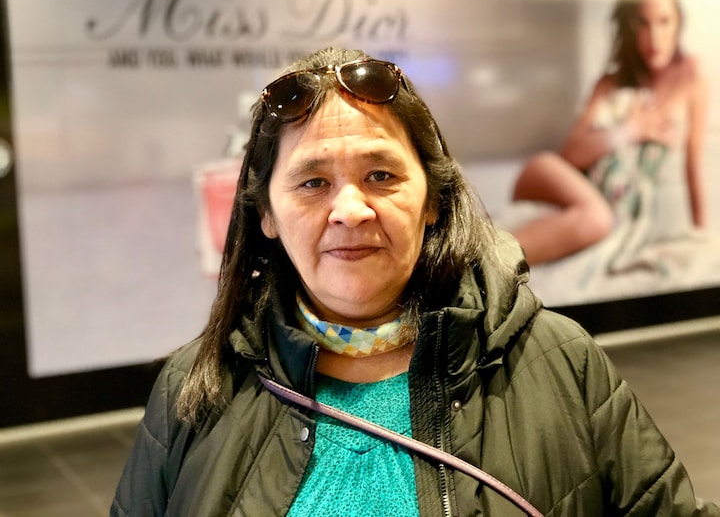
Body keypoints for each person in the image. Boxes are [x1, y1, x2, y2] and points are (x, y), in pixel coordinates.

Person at [110, 46, 718, 516]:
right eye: (313, 182)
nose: (351, 210)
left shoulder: (562, 362)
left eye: (381, 175)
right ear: (265, 213)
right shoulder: (195, 390)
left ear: (432, 199)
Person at [510, 0, 708, 267]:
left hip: (596, 217)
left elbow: (693, 170)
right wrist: (632, 130)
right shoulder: (608, 84)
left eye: (664, 21)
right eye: (642, 23)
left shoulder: (691, 77)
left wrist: (703, 242)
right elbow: (570, 155)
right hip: (548, 176)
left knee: (598, 220)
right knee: (598, 218)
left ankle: (480, 262)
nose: (654, 37)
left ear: (678, 20)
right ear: (629, 25)